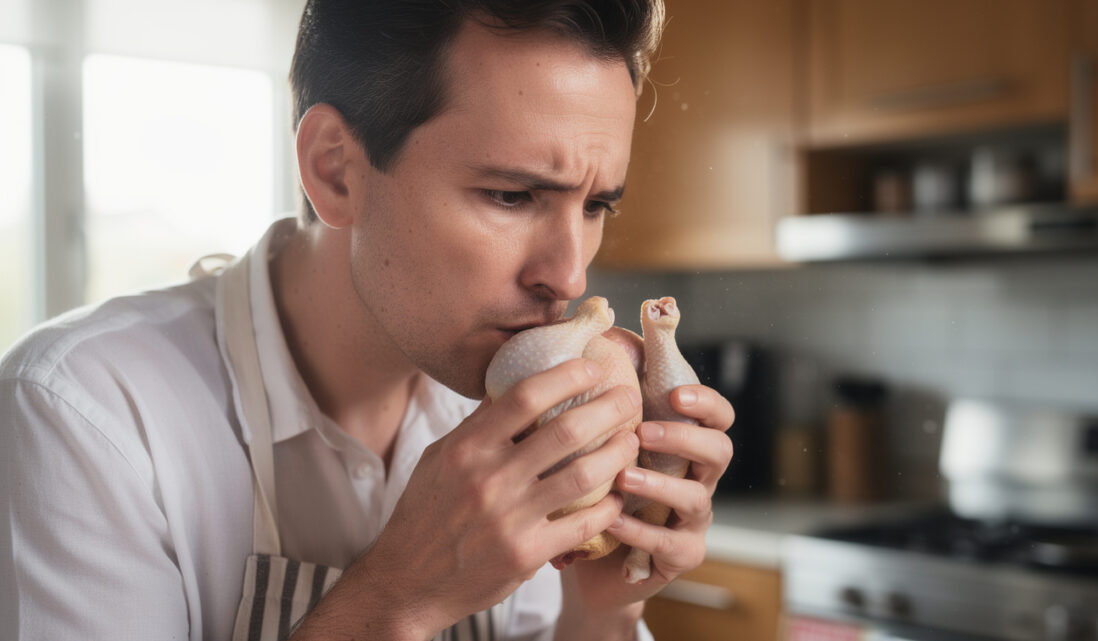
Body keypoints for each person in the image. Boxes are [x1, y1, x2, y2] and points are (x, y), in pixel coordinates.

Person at [0, 1, 735, 639]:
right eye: (512, 196)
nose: (569, 275)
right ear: (335, 170)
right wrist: (396, 599)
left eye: (597, 205)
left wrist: (602, 606)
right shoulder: (84, 415)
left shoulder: (533, 414)